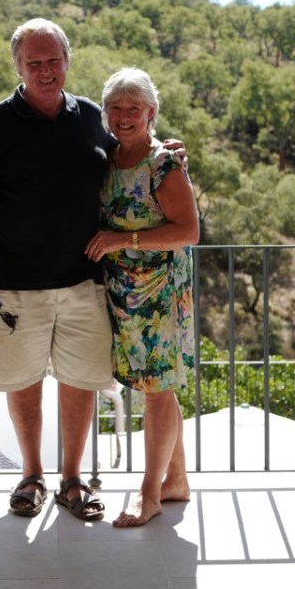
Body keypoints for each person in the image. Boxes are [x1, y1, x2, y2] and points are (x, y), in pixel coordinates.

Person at [0, 18, 114, 521]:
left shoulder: (93, 117)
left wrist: (166, 151)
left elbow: (131, 159)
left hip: (85, 281)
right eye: (34, 63)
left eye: (53, 61)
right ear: (18, 67)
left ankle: (73, 481)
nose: (45, 71)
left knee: (81, 381)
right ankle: (31, 476)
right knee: (22, 383)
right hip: (14, 286)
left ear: (67, 62)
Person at [85, 67, 199, 527]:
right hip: (123, 294)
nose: (124, 115)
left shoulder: (163, 163)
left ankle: (148, 494)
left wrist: (122, 240)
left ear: (151, 112)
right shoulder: (108, 157)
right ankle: (176, 481)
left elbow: (188, 231)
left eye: (134, 108)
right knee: (159, 389)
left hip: (160, 298)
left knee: (156, 392)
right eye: (116, 107)